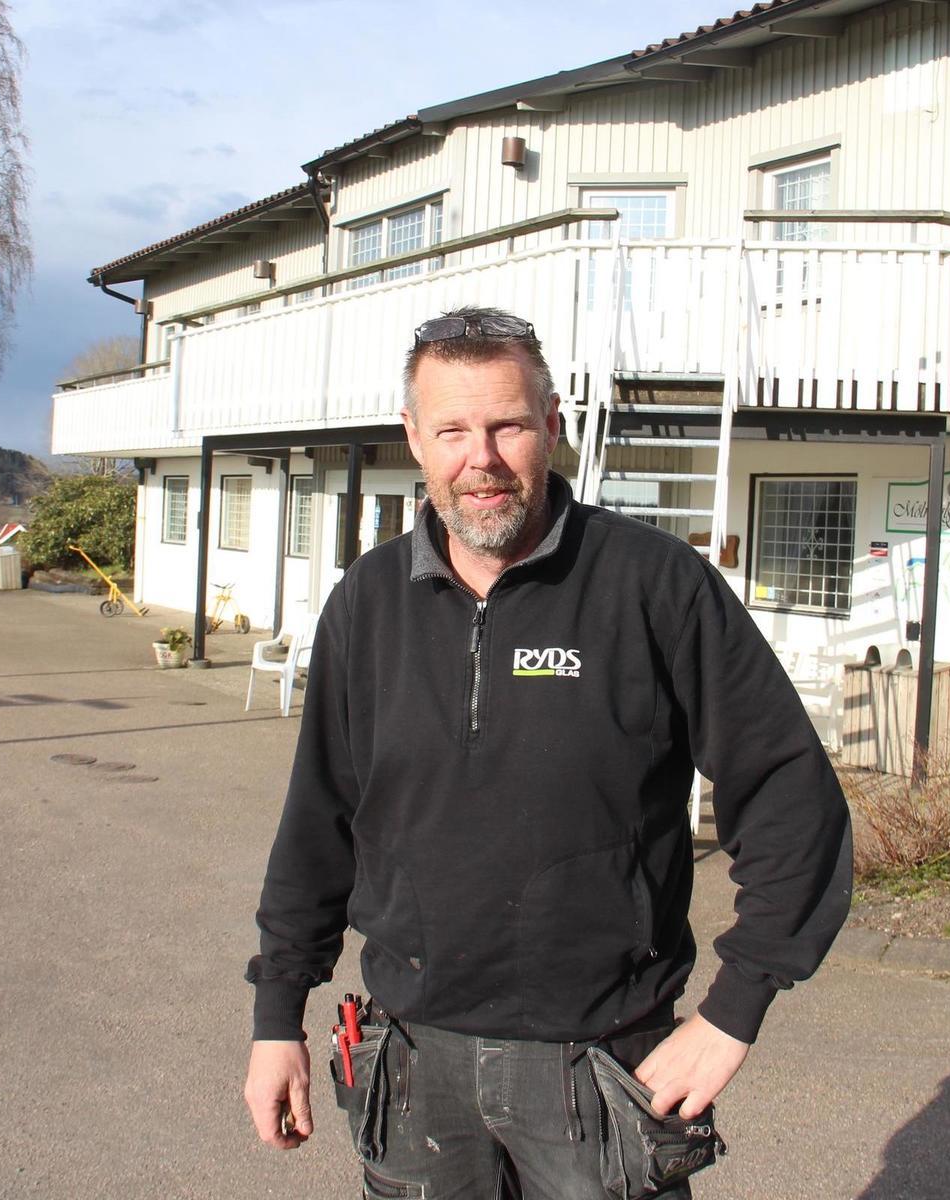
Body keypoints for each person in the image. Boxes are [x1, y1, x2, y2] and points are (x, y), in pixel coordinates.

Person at [243, 305, 852, 1198]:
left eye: (507, 425)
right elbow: (317, 828)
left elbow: (791, 796)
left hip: (602, 1070)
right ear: (413, 438)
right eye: (451, 429)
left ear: (553, 424)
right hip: (412, 1072)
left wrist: (734, 1012)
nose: (479, 458)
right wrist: (276, 1019)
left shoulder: (653, 585)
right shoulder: (367, 604)